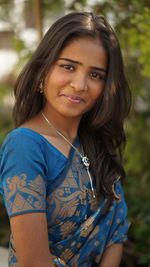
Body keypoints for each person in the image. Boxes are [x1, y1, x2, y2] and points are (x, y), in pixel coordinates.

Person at [0, 11, 131, 267]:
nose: (80, 84)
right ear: (43, 69)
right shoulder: (25, 146)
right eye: (68, 66)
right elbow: (33, 262)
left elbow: (116, 232)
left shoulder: (95, 143)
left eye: (96, 75)